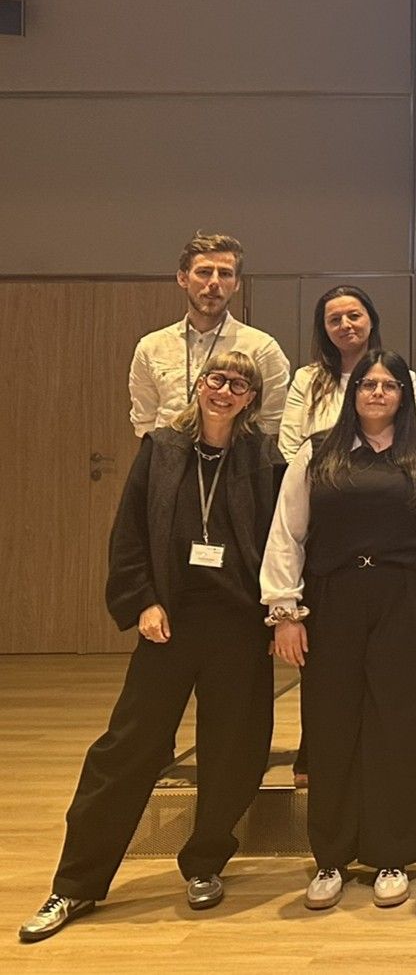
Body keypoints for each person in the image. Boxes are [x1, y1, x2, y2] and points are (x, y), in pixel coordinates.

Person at [21, 353, 277, 943]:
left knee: (235, 751)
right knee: (126, 749)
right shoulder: (161, 449)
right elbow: (130, 532)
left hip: (240, 626)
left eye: (239, 384)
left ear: (251, 398)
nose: (225, 391)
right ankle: (76, 883)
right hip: (170, 622)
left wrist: (277, 616)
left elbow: (282, 539)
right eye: (216, 379)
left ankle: (205, 861)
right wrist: (142, 600)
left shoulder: (264, 458)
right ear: (199, 385)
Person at [262, 351, 416, 911]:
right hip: (333, 600)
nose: (378, 393)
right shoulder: (317, 452)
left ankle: (391, 854)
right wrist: (284, 610)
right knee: (331, 723)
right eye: (368, 384)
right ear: (352, 394)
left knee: (400, 726)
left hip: (407, 601)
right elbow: (287, 533)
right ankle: (331, 856)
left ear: (404, 394)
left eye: (389, 385)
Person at [129, 230, 290, 442]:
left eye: (225, 274)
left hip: (234, 458)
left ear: (236, 283)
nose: (214, 282)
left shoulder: (262, 348)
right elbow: (144, 420)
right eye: (204, 272)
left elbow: (272, 422)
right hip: (166, 456)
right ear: (183, 278)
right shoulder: (151, 346)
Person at [280, 285, 416, 463]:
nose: (345, 325)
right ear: (324, 329)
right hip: (318, 477)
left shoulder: (400, 377)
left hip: (388, 475)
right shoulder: (306, 379)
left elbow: (412, 438)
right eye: (335, 320)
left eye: (354, 316)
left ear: (372, 321)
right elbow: (289, 448)